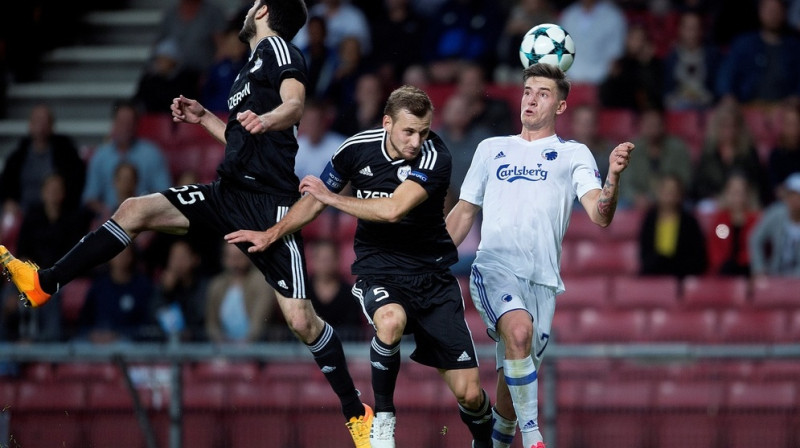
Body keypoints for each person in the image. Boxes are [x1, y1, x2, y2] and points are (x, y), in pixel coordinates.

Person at [0, 2, 373, 446]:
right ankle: (44, 282)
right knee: (135, 209)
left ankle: (357, 411)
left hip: (267, 204)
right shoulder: (248, 67)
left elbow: (294, 105)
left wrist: (268, 117)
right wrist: (205, 120)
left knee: (301, 320)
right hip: (225, 192)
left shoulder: (279, 49)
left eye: (253, 3)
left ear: (264, 10)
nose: (246, 10)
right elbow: (244, 137)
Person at [226, 85, 494, 448]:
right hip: (379, 269)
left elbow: (392, 209)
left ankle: (488, 439)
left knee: (470, 395)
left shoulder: (435, 156)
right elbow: (314, 202)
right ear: (387, 123)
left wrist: (331, 197)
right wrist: (272, 234)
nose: (417, 141)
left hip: (431, 278)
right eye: (408, 131)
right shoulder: (356, 149)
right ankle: (383, 419)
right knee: (390, 321)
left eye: (424, 131)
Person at [445, 63, 635, 448]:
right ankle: (535, 438)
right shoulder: (491, 149)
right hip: (495, 266)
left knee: (509, 402)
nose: (531, 99)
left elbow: (600, 215)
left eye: (543, 93)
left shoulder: (573, 154)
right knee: (517, 331)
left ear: (561, 107)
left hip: (544, 284)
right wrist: (425, 261)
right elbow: (464, 213)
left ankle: (495, 442)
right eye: (528, 91)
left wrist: (612, 178)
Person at [81, 100, 171, 218]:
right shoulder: (100, 156)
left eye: (129, 123)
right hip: (109, 219)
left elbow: (164, 194)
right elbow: (89, 198)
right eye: (121, 122)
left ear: (136, 125)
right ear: (114, 123)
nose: (125, 127)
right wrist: (106, 212)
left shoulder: (152, 154)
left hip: (145, 218)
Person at [0, 104, 86, 215]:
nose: (41, 127)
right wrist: (8, 201)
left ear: (52, 125)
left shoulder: (66, 153)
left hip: (57, 212)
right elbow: (5, 184)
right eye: (37, 121)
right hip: (23, 212)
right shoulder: (18, 156)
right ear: (30, 125)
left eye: (45, 122)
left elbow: (76, 183)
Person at [715, 0, 800, 105]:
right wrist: (728, 95)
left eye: (776, 10)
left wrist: (797, 97)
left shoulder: (794, 48)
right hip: (747, 105)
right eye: (769, 10)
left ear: (784, 13)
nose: (773, 15)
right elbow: (726, 74)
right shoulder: (744, 44)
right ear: (760, 11)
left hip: (784, 109)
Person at [75, 246, 156, 344]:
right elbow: (85, 320)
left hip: (129, 342)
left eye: (125, 254)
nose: (121, 258)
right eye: (117, 254)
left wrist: (118, 335)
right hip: (96, 341)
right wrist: (92, 333)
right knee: (77, 344)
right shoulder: (99, 286)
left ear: (132, 257)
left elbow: (146, 325)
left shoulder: (143, 287)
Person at [619, 108, 693, 209]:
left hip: (672, 198)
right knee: (620, 207)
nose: (652, 128)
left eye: (656, 124)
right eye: (648, 125)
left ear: (663, 126)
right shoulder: (631, 149)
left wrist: (667, 195)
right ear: (641, 126)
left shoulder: (678, 148)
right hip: (639, 199)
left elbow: (686, 179)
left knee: (690, 208)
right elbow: (625, 182)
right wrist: (636, 197)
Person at [638, 174, 708, 277]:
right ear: (658, 192)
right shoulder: (649, 220)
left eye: (673, 190)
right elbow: (645, 254)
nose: (669, 194)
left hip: (680, 274)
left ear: (680, 194)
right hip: (654, 274)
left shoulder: (690, 222)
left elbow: (697, 258)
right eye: (665, 190)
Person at [205, 242, 276, 344]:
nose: (235, 261)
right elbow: (211, 324)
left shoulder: (261, 282)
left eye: (239, 256)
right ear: (224, 258)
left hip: (255, 346)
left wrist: (245, 344)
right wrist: (220, 343)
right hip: (223, 349)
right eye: (230, 256)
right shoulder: (217, 285)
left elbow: (259, 322)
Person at [306, 239, 364, 341]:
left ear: (337, 260)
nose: (325, 264)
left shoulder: (350, 293)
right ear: (313, 260)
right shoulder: (302, 292)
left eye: (329, 259)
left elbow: (354, 330)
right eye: (321, 259)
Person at [559, 0, 628, 85]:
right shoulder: (569, 15)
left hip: (602, 79)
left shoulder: (613, 16)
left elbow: (616, 53)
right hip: (572, 79)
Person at [153, 238, 210, 341]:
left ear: (195, 259)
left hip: (199, 346)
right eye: (174, 257)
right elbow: (153, 319)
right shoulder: (162, 288)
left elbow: (203, 320)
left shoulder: (205, 288)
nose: (178, 263)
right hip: (167, 347)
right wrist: (166, 293)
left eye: (183, 257)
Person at [705, 173, 761, 277]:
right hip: (724, 271)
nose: (737, 196)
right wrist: (722, 264)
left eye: (740, 192)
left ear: (747, 194)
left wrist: (744, 262)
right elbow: (715, 248)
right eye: (733, 192)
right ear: (727, 194)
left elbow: (757, 248)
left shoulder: (755, 220)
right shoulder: (721, 219)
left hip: (748, 269)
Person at [749, 172, 800, 278]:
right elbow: (755, 238)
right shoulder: (776, 213)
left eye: (798, 196)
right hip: (775, 274)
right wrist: (759, 267)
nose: (795, 200)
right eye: (792, 195)